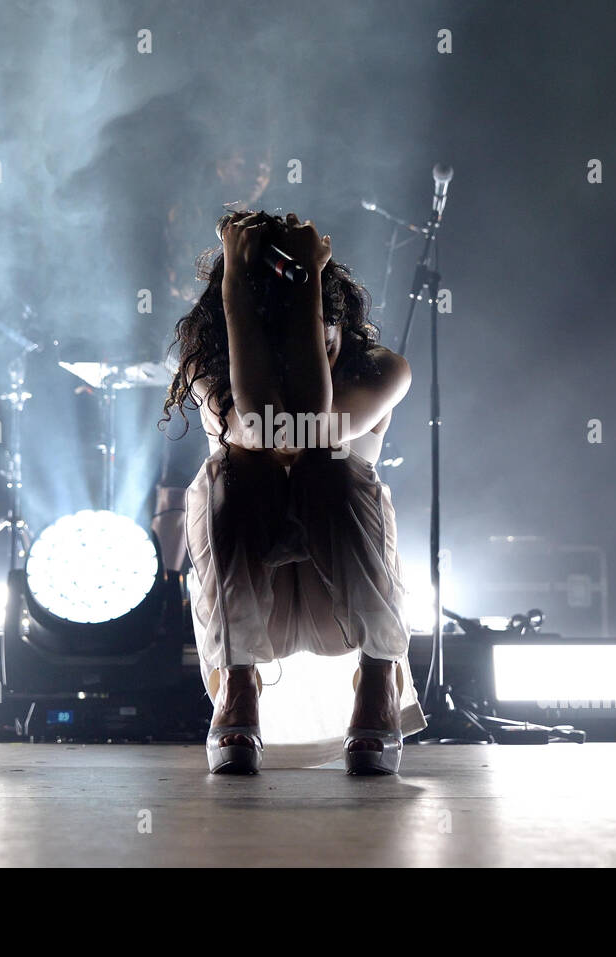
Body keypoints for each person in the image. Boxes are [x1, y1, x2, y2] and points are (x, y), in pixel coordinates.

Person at [162, 209, 425, 775]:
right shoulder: (212, 370)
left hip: (344, 605)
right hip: (260, 609)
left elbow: (305, 423)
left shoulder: (381, 369)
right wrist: (236, 281)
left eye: (314, 329)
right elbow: (264, 428)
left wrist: (303, 281)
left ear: (337, 321)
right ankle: (240, 687)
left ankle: (378, 677)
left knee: (327, 463)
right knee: (233, 472)